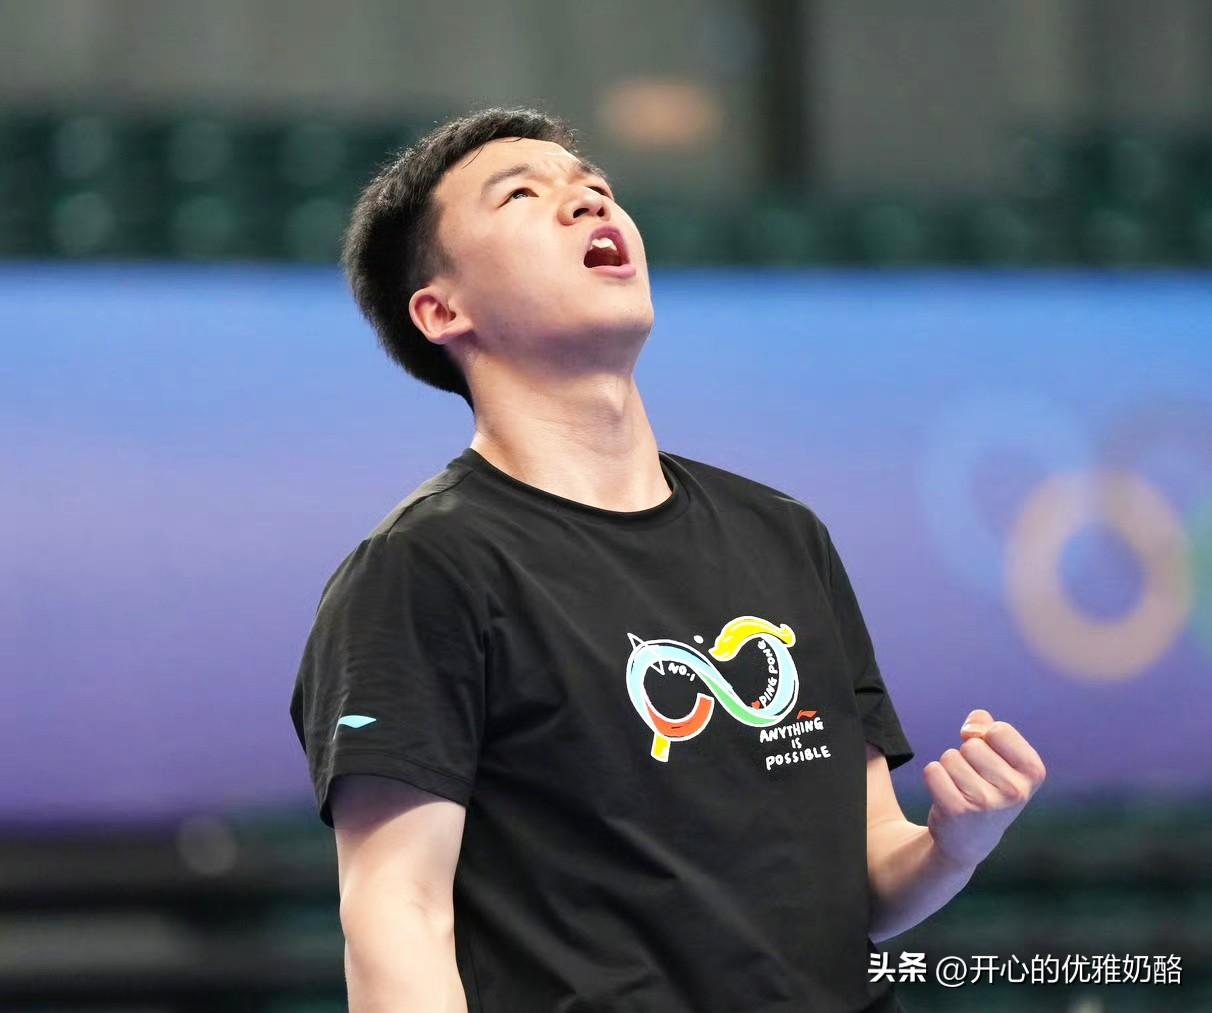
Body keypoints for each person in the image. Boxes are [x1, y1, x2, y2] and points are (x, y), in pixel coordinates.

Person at [289, 105, 1047, 1013]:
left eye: (595, 186)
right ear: (441, 310)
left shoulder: (783, 534)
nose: (588, 202)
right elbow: (397, 917)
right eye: (522, 195)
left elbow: (867, 882)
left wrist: (954, 845)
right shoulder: (421, 570)